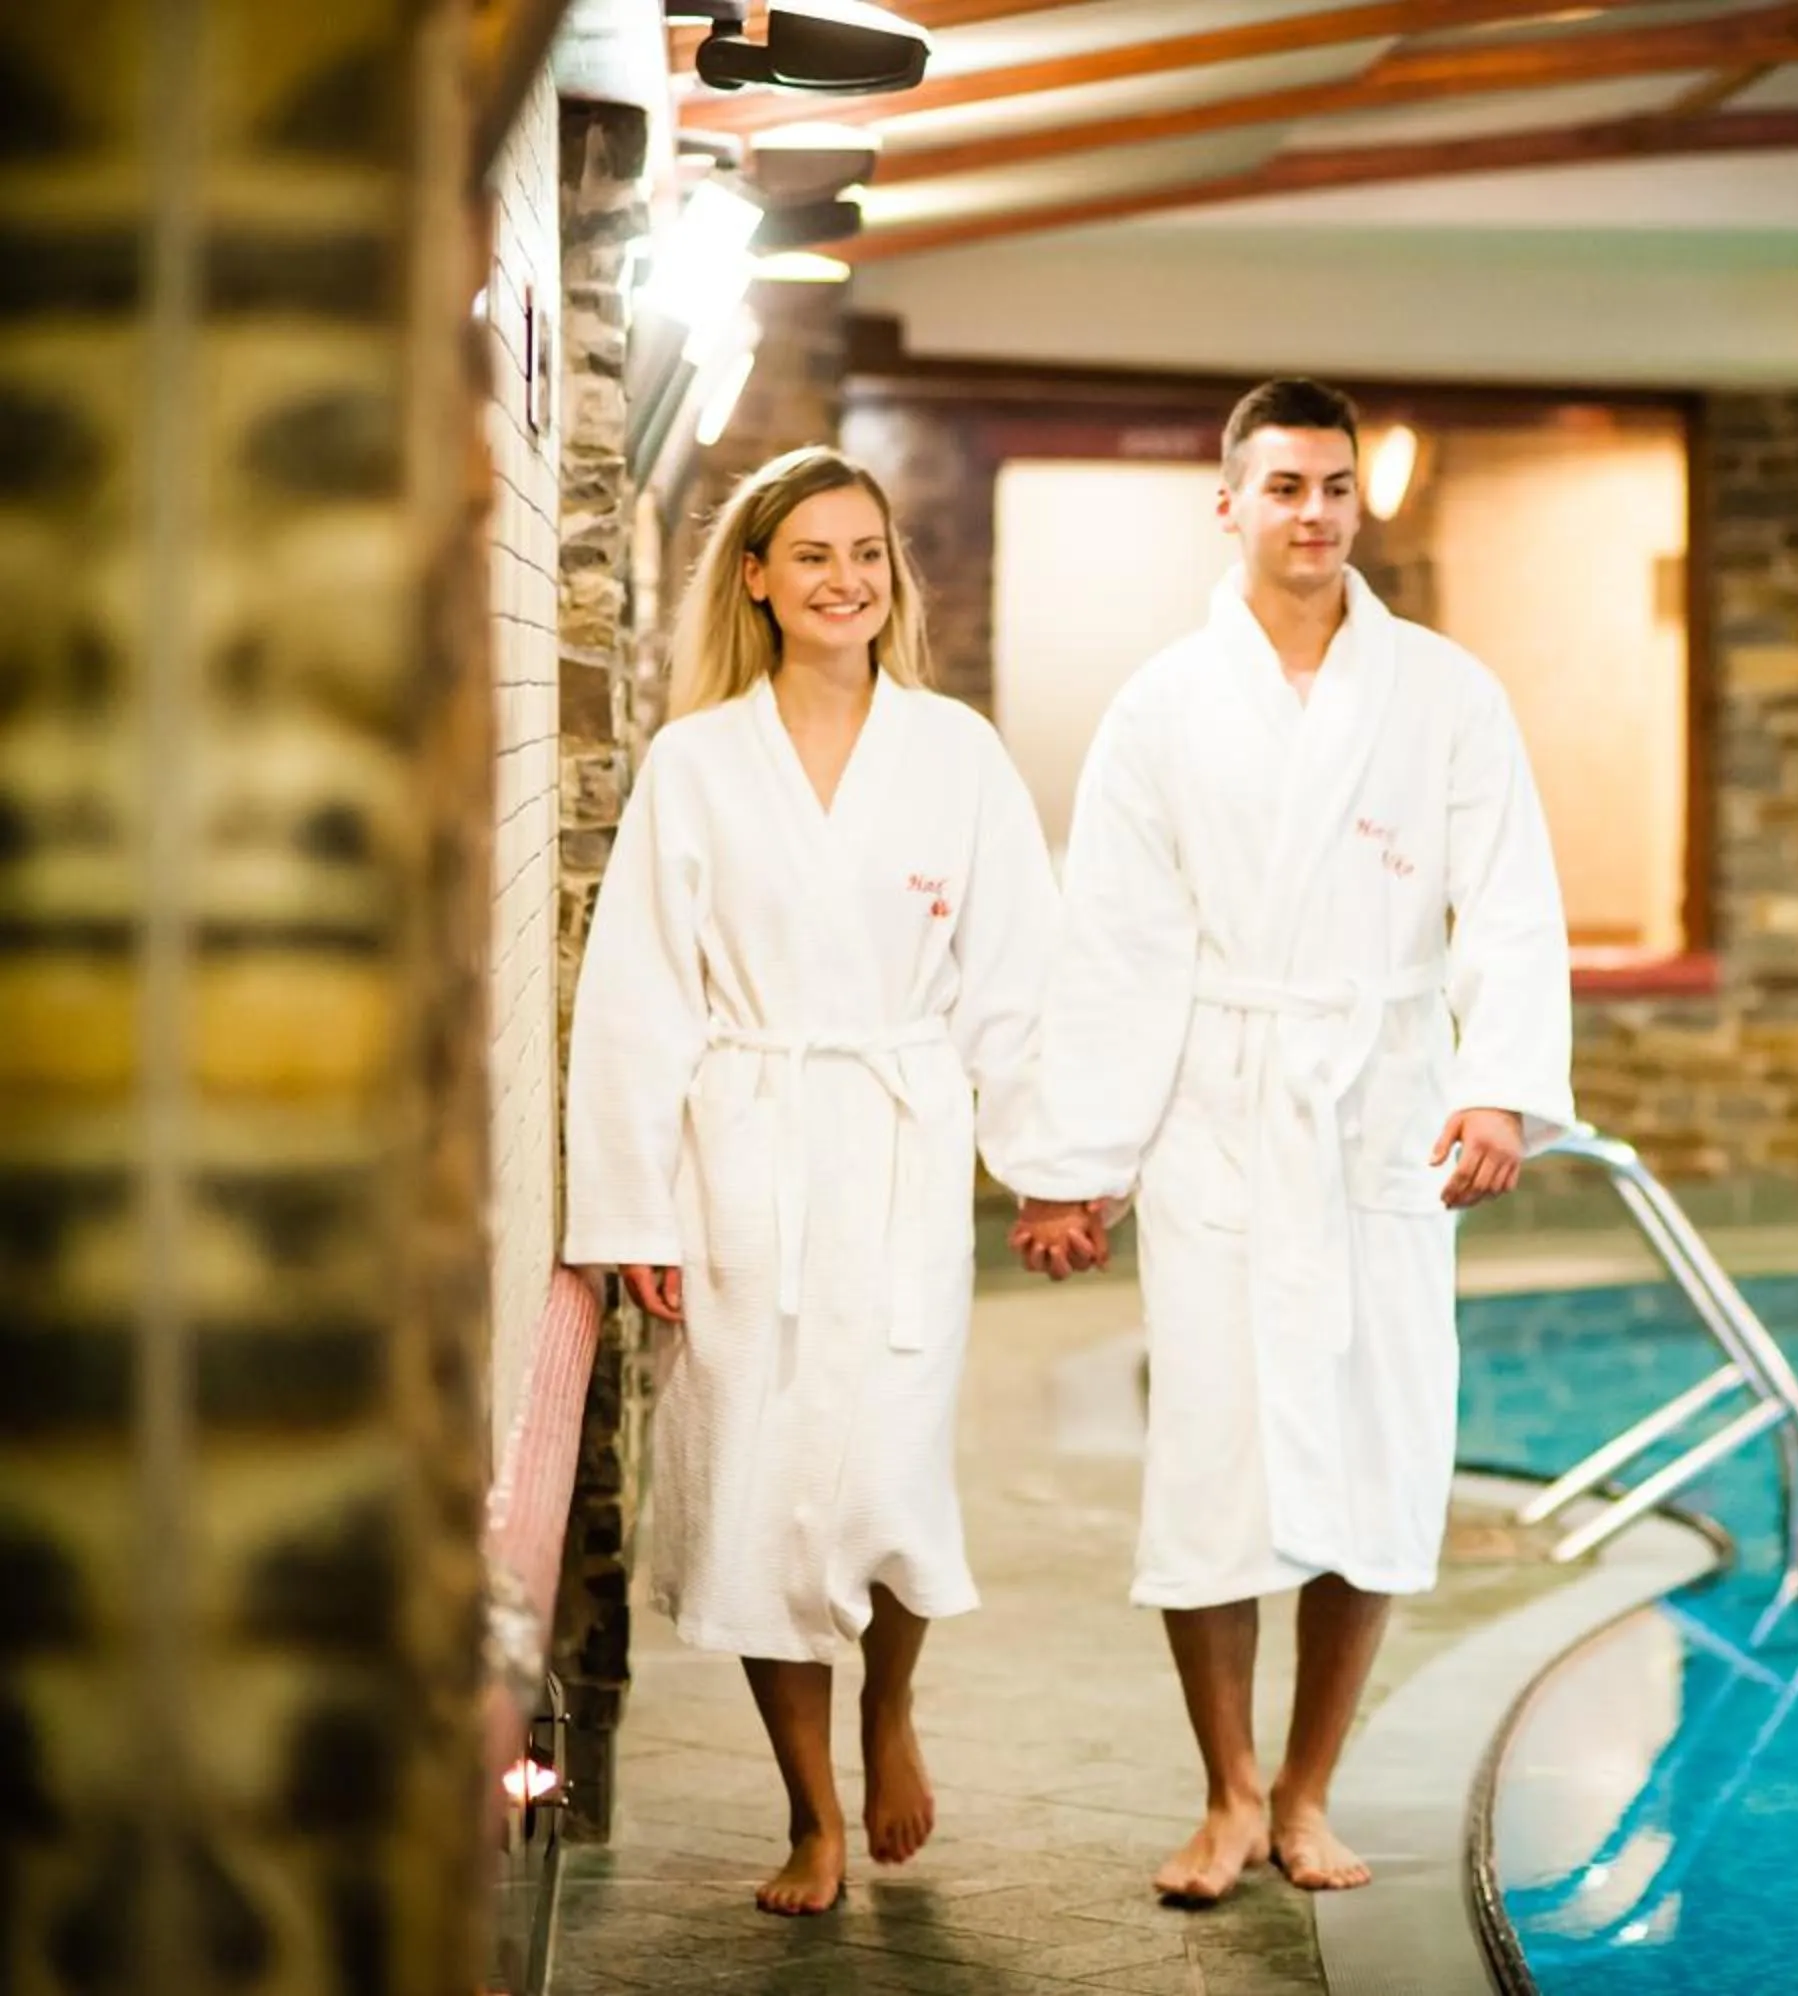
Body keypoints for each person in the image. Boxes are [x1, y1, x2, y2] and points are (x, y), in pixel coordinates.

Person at [1006, 378, 1575, 1905]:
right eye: (1283, 486)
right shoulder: (1162, 708)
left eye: (1333, 485)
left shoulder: (1445, 691)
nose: (1311, 512)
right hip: (1223, 1116)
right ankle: (1228, 1793)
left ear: (1356, 504)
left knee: (1383, 1448)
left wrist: (1498, 1083)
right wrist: (1079, 1165)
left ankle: (1312, 1788)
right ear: (1229, 502)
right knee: (1210, 1454)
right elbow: (1119, 945)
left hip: (1382, 1107)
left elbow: (1510, 894)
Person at [562, 446, 1059, 1916]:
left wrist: (1049, 1172)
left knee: (895, 1475)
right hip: (747, 1160)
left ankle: (889, 1703)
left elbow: (1019, 978)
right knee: (765, 1487)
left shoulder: (957, 753)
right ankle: (813, 1812)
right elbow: (639, 993)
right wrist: (635, 1209)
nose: (849, 580)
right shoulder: (696, 763)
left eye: (871, 555)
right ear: (761, 580)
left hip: (897, 1150)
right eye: (817, 556)